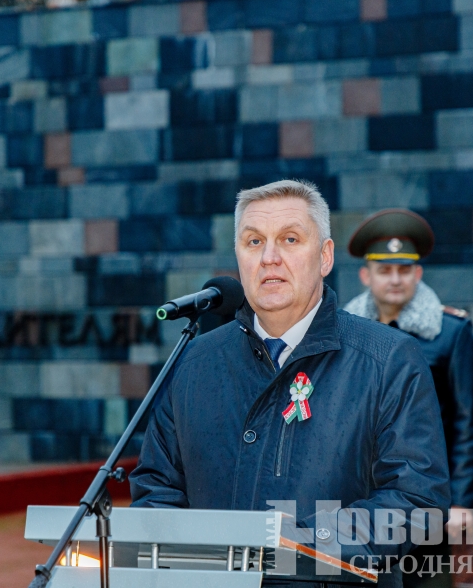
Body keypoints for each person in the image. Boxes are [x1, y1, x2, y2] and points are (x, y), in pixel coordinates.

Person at [130, 180, 451, 586]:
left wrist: (293, 546)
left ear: (325, 256)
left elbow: (416, 499)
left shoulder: (387, 360)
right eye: (254, 242)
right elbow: (156, 488)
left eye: (290, 239)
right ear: (238, 257)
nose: (269, 258)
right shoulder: (193, 361)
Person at [343, 209, 473, 587]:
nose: (395, 279)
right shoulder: (345, 334)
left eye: (404, 270)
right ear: (366, 276)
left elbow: (470, 422)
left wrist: (463, 501)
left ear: (418, 273)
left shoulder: (450, 333)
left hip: (425, 496)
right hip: (358, 498)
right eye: (384, 270)